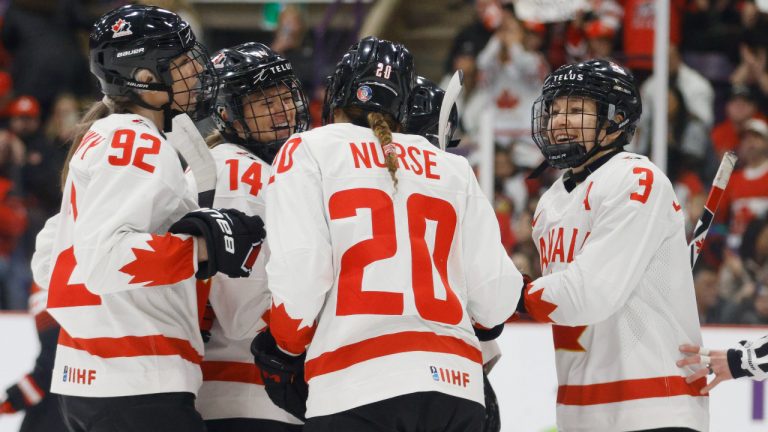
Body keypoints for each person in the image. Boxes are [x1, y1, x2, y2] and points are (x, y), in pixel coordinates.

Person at [252, 36, 522, 431]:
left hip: (356, 388)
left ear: (338, 93)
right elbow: (497, 300)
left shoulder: (308, 149)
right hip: (458, 391)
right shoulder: (453, 169)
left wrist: (285, 348)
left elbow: (303, 276)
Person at [34, 5, 265, 431]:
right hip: (137, 380)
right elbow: (106, 258)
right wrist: (204, 246)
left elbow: (49, 257)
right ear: (144, 78)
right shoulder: (136, 140)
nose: (195, 73)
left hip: (89, 379)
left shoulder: (102, 138)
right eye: (180, 63)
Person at [521, 59, 708, 431]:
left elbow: (590, 294)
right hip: (583, 410)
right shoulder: (550, 201)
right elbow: (564, 301)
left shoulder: (637, 179)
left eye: (576, 109)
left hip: (654, 406)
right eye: (554, 110)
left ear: (614, 119)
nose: (559, 121)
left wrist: (514, 297)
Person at [194, 42, 308, 432]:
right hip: (249, 390)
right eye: (263, 102)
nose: (282, 111)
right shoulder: (237, 173)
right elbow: (244, 310)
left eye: (284, 96)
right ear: (230, 116)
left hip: (228, 392)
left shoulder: (237, 167)